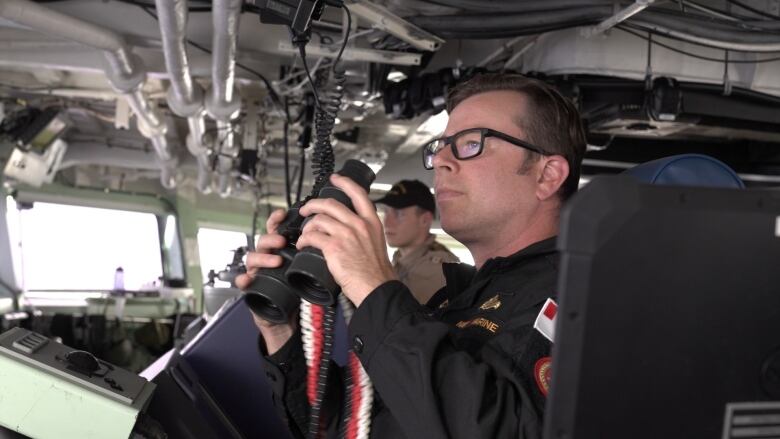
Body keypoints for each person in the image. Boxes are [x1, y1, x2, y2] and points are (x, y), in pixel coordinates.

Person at [236, 72, 587, 438]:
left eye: (470, 144)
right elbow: (354, 422)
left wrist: (374, 286)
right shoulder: (456, 296)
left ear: (547, 176)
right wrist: (283, 333)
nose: (441, 161)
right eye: (440, 146)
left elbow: (493, 429)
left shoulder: (579, 301)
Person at [374, 179, 459, 304]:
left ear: (425, 219)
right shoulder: (399, 260)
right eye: (386, 212)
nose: (387, 222)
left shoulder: (441, 270)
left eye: (398, 214)